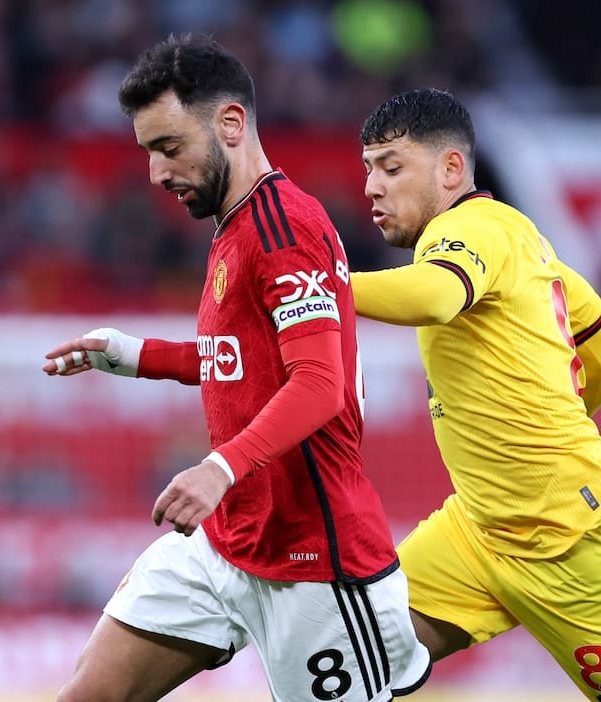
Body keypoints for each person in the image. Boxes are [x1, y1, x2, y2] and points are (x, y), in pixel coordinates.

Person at [41, 36, 429, 702]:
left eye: (169, 148)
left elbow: (319, 384)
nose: (158, 175)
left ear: (230, 124)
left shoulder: (283, 230)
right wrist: (135, 356)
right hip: (224, 545)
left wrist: (218, 468)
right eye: (149, 154)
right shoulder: (239, 225)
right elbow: (247, 366)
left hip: (315, 566)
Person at [351, 88, 601, 702]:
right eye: (368, 171)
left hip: (578, 539)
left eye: (391, 167)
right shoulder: (525, 241)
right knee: (350, 646)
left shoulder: (471, 228)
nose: (373, 188)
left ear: (451, 170)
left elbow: (435, 297)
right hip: (482, 530)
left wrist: (316, 283)